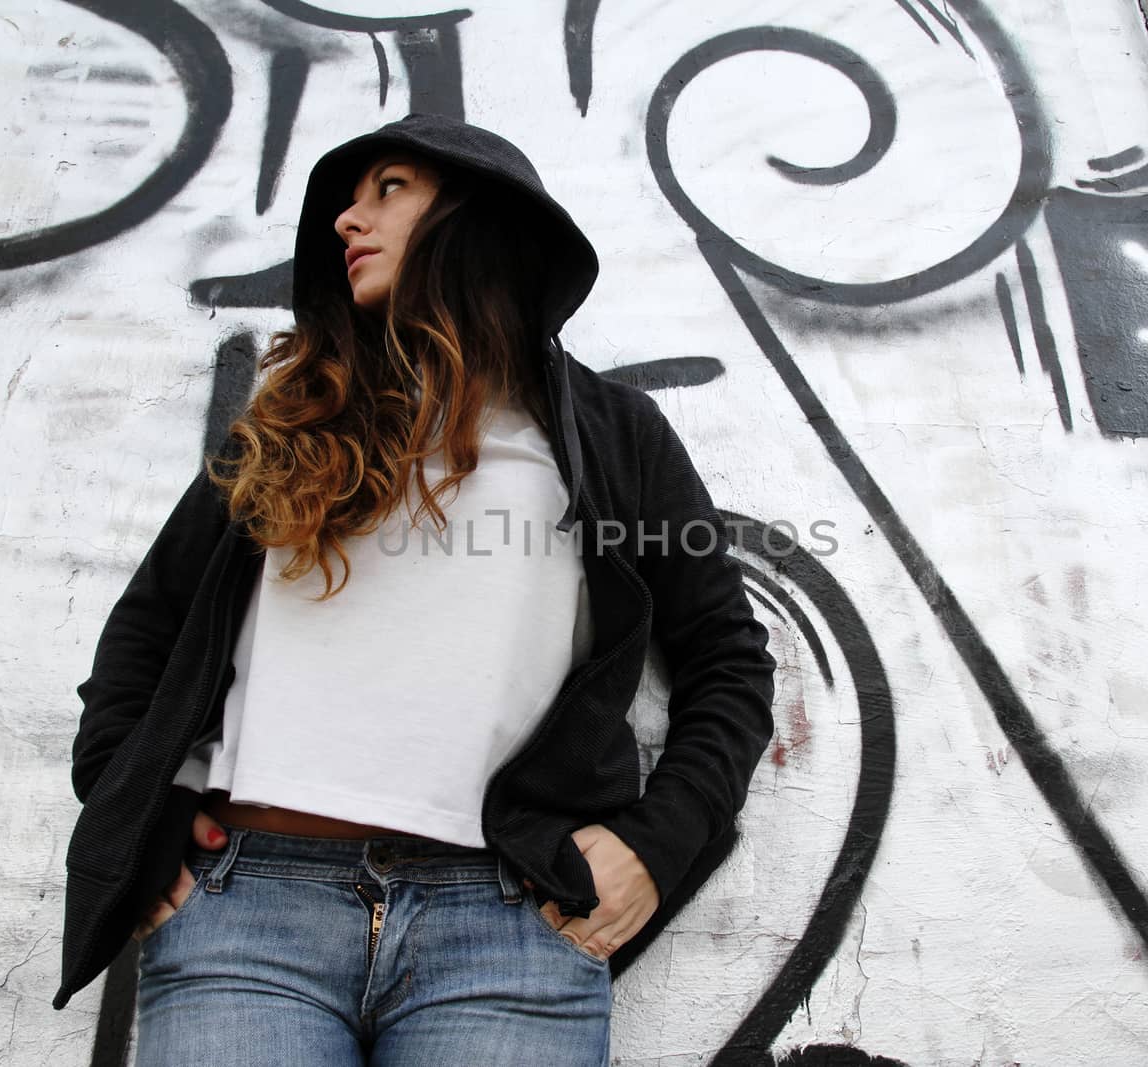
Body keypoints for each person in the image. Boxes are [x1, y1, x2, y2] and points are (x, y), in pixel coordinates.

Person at [52, 113, 776, 1065]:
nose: (349, 220)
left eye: (388, 189)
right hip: (248, 913)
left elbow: (728, 659)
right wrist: (130, 811)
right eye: (347, 203)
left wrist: (660, 839)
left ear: (480, 224)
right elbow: (146, 631)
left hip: (509, 927)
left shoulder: (611, 436)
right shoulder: (286, 427)